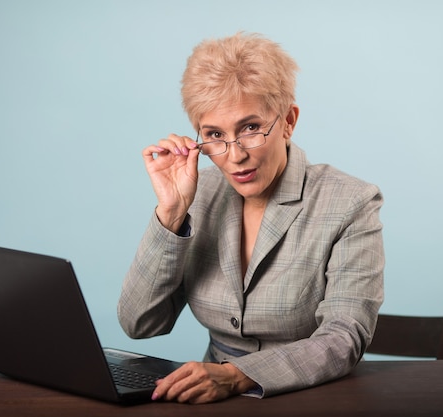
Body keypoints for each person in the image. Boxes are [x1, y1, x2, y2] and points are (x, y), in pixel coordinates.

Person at [117, 32, 384, 404]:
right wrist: (172, 212)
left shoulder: (350, 201)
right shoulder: (199, 193)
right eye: (214, 134)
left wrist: (236, 375)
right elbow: (140, 324)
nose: (234, 155)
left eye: (251, 128)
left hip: (310, 397)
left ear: (288, 121)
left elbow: (344, 337)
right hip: (208, 402)